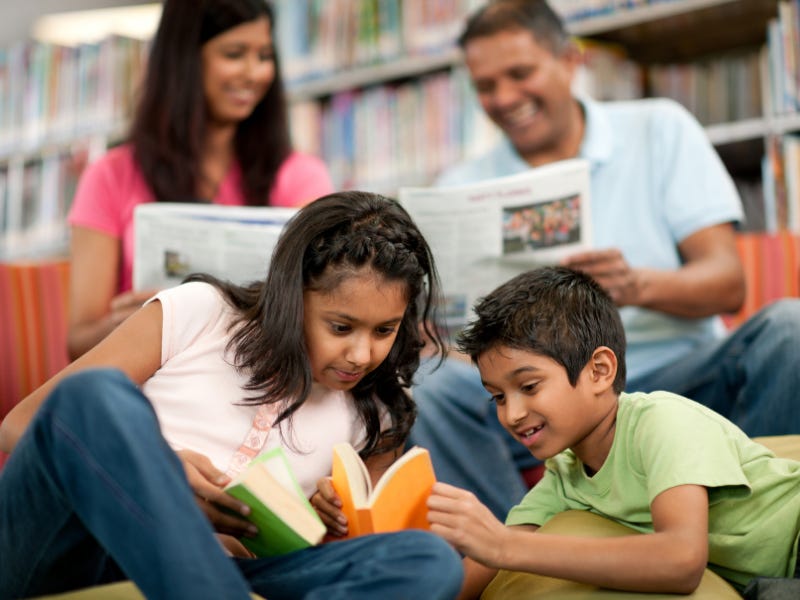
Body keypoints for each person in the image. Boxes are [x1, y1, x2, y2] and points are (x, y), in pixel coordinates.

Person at [409, 0, 800, 519]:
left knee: (790, 327)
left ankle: (753, 521)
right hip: (539, 390)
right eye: (485, 86)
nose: (504, 98)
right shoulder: (459, 186)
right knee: (425, 382)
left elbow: (728, 283)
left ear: (571, 62)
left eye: (520, 73)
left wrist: (635, 286)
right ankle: (513, 547)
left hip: (675, 376)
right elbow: (453, 346)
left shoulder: (660, 129)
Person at [0, 192, 463, 600]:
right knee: (94, 394)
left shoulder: (375, 414)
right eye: (340, 327)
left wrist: (328, 528)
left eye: (385, 330)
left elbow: (331, 557)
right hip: (81, 548)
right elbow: (20, 425)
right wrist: (160, 466)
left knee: (425, 559)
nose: (362, 354)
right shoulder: (201, 312)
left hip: (231, 569)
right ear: (292, 297)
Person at [426, 266, 800, 598]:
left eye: (529, 387)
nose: (512, 414)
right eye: (497, 398)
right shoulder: (564, 474)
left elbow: (682, 561)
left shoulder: (661, 422)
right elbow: (486, 562)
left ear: (600, 371)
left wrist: (505, 547)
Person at [66, 0, 334, 360]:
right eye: (234, 53)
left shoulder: (301, 177)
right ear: (184, 60)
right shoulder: (110, 177)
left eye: (265, 55)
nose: (254, 73)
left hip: (257, 377)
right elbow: (78, 343)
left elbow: (322, 309)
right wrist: (137, 323)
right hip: (152, 377)